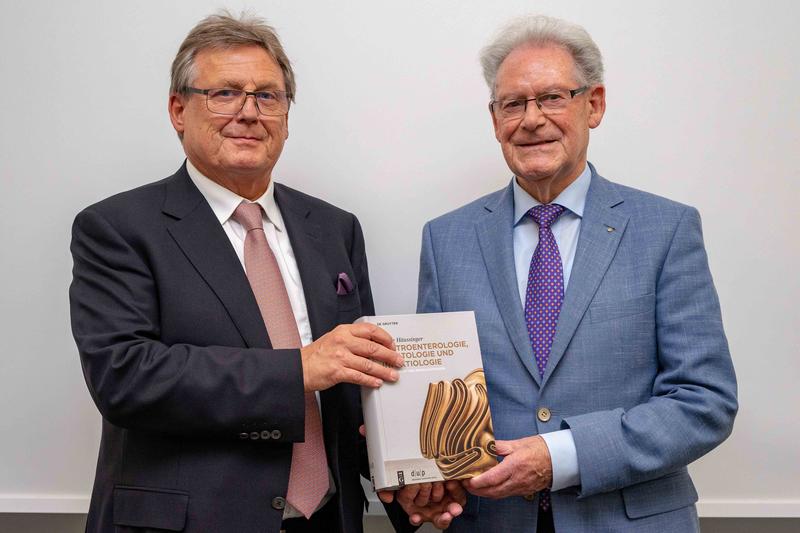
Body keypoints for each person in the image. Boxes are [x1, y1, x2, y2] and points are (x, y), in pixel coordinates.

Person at [69, 12, 413, 533]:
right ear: (178, 109)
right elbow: (125, 377)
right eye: (225, 93)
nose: (249, 113)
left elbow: (353, 385)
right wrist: (297, 370)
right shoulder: (117, 227)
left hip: (326, 519)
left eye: (268, 96)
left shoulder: (334, 229)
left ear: (287, 116)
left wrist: (409, 481)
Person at [416, 15, 738, 532]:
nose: (532, 119)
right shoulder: (445, 239)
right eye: (513, 104)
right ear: (494, 118)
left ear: (595, 105)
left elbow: (705, 401)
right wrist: (415, 463)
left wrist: (562, 455)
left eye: (552, 97)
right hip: (491, 521)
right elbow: (437, 395)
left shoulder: (667, 228)